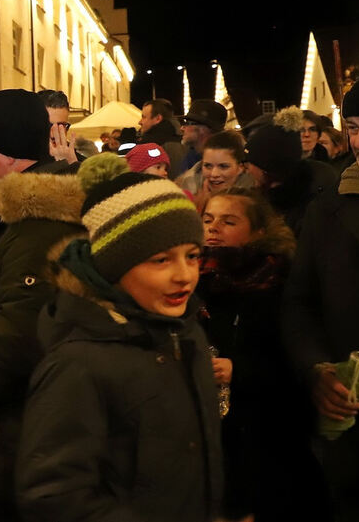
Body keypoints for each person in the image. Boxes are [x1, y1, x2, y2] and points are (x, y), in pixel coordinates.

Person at [16, 171, 223, 522]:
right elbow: (53, 494)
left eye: (192, 256)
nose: (184, 275)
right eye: (161, 260)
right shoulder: (79, 362)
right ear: (115, 265)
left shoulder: (184, 331)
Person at [0, 93, 86, 522]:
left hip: (15, 431)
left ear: (11, 158)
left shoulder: (39, 226)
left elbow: (20, 339)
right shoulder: (27, 214)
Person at [282, 61, 359, 521]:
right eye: (352, 127)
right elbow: (299, 302)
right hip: (351, 447)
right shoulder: (328, 206)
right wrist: (315, 370)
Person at [198, 189, 329, 521]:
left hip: (269, 436)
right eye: (208, 219)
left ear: (258, 232)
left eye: (228, 221)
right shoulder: (197, 278)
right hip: (215, 434)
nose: (213, 228)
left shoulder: (278, 283)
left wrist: (238, 371)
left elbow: (295, 360)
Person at [243, 108, 341, 236]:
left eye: (251, 163)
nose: (247, 168)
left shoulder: (304, 211)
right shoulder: (263, 198)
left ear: (266, 168)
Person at [178, 130, 254, 209]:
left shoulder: (255, 196)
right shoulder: (187, 191)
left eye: (223, 166)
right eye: (208, 166)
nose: (214, 174)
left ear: (240, 168)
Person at [138, 98, 187, 178]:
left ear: (158, 118)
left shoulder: (152, 144)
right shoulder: (181, 139)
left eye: (144, 117)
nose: (140, 122)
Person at [178, 99, 228, 173]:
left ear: (203, 129)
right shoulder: (191, 156)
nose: (182, 128)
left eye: (188, 123)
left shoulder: (226, 158)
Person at [38, 89, 80, 165]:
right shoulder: (20, 164)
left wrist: (72, 165)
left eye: (60, 126)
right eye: (47, 125)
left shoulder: (84, 166)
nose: (53, 134)